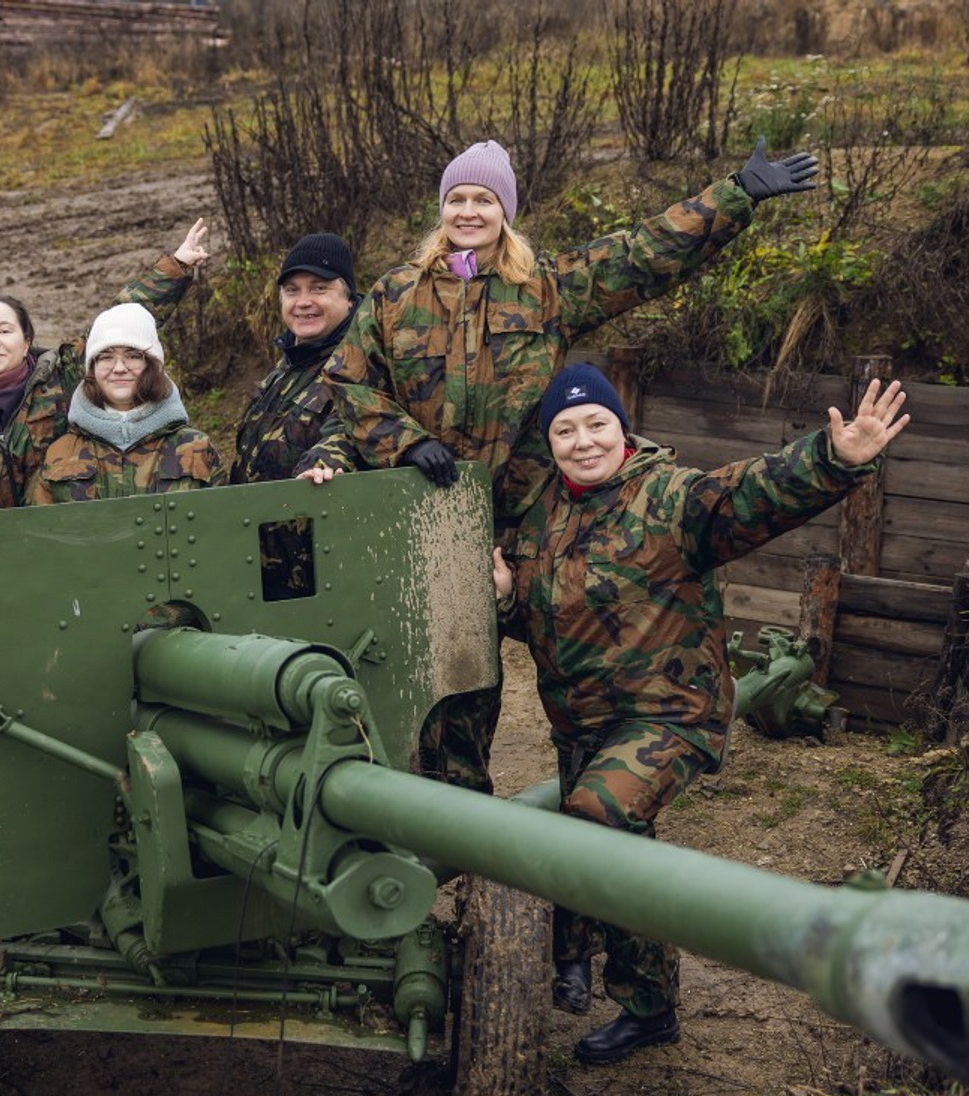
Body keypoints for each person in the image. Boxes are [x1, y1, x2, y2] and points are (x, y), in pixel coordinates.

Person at [299, 136, 819, 796]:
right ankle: (434, 822)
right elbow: (347, 382)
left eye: (483, 199)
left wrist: (736, 193)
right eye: (457, 198)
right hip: (425, 514)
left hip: (528, 520)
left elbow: (643, 254)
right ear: (441, 210)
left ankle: (581, 798)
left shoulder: (544, 288)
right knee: (436, 678)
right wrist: (402, 442)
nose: (468, 210)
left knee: (549, 662)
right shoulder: (396, 295)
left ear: (504, 212)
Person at [491, 363, 910, 1064]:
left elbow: (754, 492)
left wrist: (833, 459)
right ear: (549, 443)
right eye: (564, 430)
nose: (583, 440)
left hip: (668, 714)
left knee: (600, 820)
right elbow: (539, 620)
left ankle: (648, 1008)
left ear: (621, 428)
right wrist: (506, 597)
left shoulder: (671, 498)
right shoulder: (541, 516)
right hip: (583, 723)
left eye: (596, 423)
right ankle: (579, 958)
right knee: (589, 839)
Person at [0, 220, 210, 515]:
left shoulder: (58, 382)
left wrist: (175, 267)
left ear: (26, 341)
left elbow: (118, 324)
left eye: (5, 331)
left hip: (56, 549)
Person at [27, 303, 223, 503]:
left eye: (133, 356)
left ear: (152, 365)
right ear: (92, 369)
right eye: (106, 357)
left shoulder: (195, 447)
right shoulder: (60, 452)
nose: (119, 368)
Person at [231, 232, 361, 484]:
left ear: (348, 299)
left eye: (319, 289)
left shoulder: (360, 363)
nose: (303, 302)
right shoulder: (288, 365)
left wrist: (323, 465)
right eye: (292, 291)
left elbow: (352, 432)